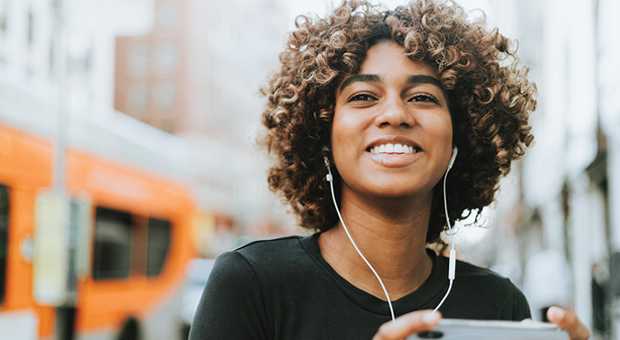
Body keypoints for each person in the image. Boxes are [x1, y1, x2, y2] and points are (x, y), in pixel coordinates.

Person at [189, 0, 590, 339]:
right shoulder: (252, 285)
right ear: (322, 133)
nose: (395, 113)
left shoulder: (500, 304)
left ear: (461, 135)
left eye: (422, 97)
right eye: (364, 96)